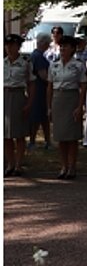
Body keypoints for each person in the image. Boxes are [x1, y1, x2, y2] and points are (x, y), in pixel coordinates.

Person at [47, 36, 87, 180]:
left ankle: (72, 166)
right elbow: (50, 86)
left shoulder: (78, 65)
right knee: (60, 136)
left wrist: (80, 106)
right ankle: (63, 166)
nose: (63, 49)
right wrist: (49, 106)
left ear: (72, 48)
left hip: (72, 98)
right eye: (61, 46)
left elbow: (83, 86)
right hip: (58, 99)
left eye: (66, 46)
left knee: (72, 137)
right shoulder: (54, 65)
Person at [4, 34, 35, 177]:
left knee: (19, 133)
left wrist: (29, 103)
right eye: (7, 45)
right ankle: (9, 164)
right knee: (5, 134)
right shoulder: (3, 62)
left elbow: (31, 84)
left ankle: (18, 164)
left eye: (12, 45)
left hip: (18, 95)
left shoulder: (25, 63)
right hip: (4, 95)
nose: (9, 48)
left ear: (18, 47)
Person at [27, 33, 51, 150]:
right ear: (45, 43)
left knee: (42, 116)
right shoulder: (38, 57)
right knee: (38, 116)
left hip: (39, 89)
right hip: (39, 90)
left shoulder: (35, 55)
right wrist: (52, 83)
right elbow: (43, 75)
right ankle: (33, 141)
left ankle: (46, 141)